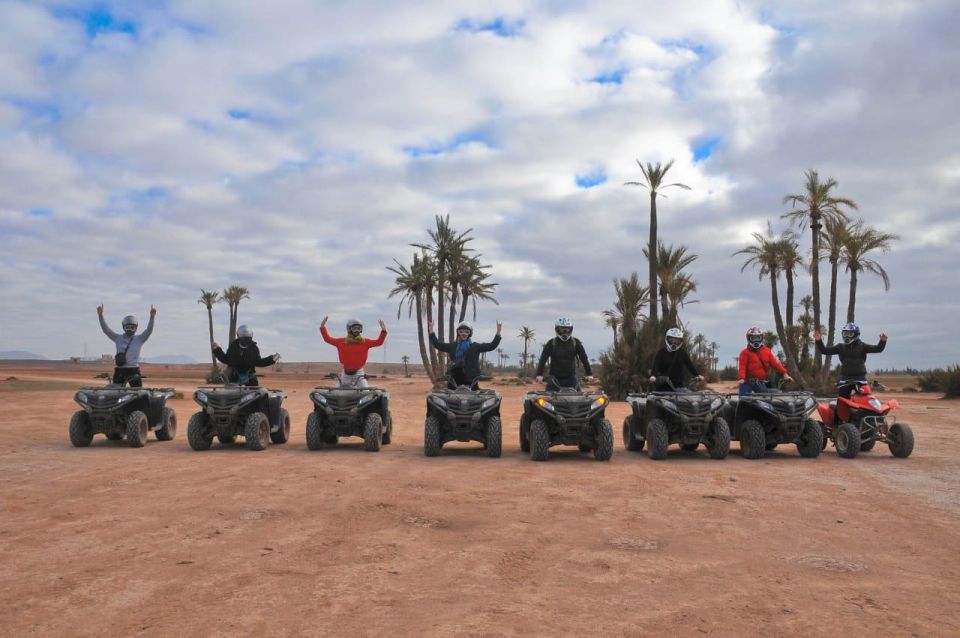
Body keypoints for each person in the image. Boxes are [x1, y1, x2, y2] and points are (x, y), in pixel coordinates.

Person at [814, 323, 887, 398]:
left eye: (850, 334)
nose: (847, 336)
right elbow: (825, 351)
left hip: (860, 378)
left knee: (865, 399)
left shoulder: (862, 346)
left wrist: (882, 342)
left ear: (856, 334)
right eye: (845, 334)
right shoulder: (840, 347)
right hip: (845, 378)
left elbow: (878, 349)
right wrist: (819, 340)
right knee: (842, 401)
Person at [428, 319, 502, 389]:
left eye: (466, 331)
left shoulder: (475, 347)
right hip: (454, 380)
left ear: (470, 333)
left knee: (478, 400)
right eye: (461, 331)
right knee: (448, 399)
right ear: (458, 333)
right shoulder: (452, 346)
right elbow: (438, 345)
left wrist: (498, 332)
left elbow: (491, 346)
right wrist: (431, 331)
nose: (464, 334)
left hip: (471, 380)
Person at [98, 304, 155, 387]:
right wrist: (100, 316)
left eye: (132, 327)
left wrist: (152, 317)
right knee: (116, 393)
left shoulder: (140, 339)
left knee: (137, 394)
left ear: (136, 328)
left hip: (134, 370)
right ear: (123, 327)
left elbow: (149, 330)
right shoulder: (118, 338)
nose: (129, 330)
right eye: (127, 327)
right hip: (120, 370)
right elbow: (106, 330)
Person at [320, 316, 386, 388]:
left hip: (359, 373)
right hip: (346, 374)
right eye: (354, 328)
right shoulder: (341, 342)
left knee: (365, 391)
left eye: (359, 328)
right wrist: (322, 327)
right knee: (337, 392)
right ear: (349, 329)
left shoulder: (365, 342)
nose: (357, 331)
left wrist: (383, 331)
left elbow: (379, 342)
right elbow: (328, 339)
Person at [535, 317, 594, 390]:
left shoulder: (576, 342)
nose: (565, 331)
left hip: (571, 378)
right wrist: (539, 374)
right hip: (554, 378)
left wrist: (589, 374)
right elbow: (543, 359)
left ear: (571, 329)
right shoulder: (551, 343)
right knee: (547, 399)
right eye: (562, 329)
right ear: (557, 329)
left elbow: (584, 359)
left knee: (579, 398)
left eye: (567, 329)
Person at [212, 325, 279, 385]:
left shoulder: (253, 348)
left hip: (250, 377)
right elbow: (227, 359)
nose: (245, 339)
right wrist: (217, 350)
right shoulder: (233, 346)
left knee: (256, 394)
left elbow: (258, 362)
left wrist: (272, 359)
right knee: (232, 395)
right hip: (235, 377)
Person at [738, 326, 792, 396]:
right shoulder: (744, 353)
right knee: (743, 399)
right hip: (747, 381)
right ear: (749, 339)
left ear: (761, 338)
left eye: (758, 338)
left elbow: (776, 363)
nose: (756, 340)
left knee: (766, 398)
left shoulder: (768, 351)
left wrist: (785, 373)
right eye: (753, 338)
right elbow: (742, 367)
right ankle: (742, 404)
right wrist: (742, 378)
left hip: (759, 381)